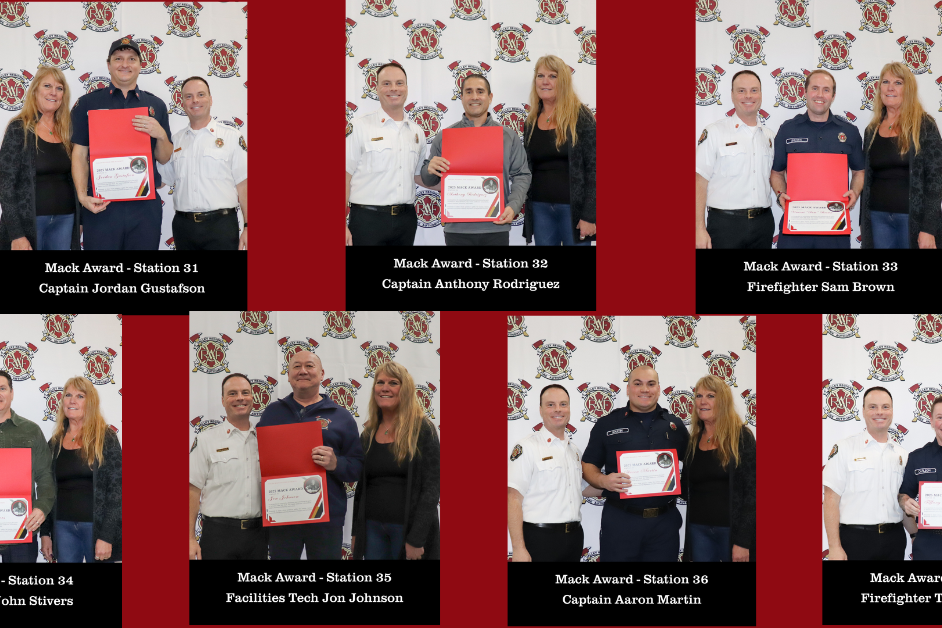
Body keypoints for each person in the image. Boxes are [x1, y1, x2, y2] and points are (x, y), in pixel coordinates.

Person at [257, 351, 364, 559]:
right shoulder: (271, 413)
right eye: (296, 366)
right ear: (288, 375)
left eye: (309, 366)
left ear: (322, 373)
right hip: (282, 514)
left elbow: (357, 468)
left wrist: (336, 464)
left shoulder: (342, 416)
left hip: (326, 518)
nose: (303, 371)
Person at [71, 36, 172, 250]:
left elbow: (164, 157)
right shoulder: (87, 103)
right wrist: (82, 196)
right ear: (109, 65)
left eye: (131, 59)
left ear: (140, 65)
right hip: (102, 204)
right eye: (118, 58)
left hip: (144, 207)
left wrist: (161, 134)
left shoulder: (156, 105)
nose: (125, 64)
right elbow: (79, 155)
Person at [582, 366, 690, 561]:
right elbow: (588, 465)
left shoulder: (675, 426)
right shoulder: (607, 424)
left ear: (658, 389)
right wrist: (603, 481)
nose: (644, 389)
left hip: (664, 525)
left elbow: (694, 466)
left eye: (651, 384)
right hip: (620, 522)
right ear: (628, 388)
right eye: (637, 384)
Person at [420, 73, 531, 246]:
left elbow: (522, 175)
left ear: (490, 97)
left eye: (480, 91)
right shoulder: (446, 136)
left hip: (496, 227)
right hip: (457, 229)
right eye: (469, 92)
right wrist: (429, 169)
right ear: (462, 97)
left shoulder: (508, 136)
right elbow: (429, 179)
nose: (474, 97)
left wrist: (513, 206)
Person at [351, 361, 439, 560]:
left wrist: (417, 538)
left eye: (393, 383)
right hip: (372, 528)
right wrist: (357, 532)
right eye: (380, 382)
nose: (385, 388)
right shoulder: (368, 433)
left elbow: (432, 487)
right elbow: (361, 488)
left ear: (405, 389)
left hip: (407, 531)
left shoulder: (423, 429)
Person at [771, 70, 864, 249]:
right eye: (815, 88)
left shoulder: (850, 131)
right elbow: (776, 173)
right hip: (796, 224)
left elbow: (859, 171)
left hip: (835, 226)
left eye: (826, 90)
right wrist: (781, 194)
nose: (820, 95)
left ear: (833, 95)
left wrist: (855, 192)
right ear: (805, 92)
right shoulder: (788, 129)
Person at [156, 76, 247, 250]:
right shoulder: (174, 142)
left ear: (210, 99)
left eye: (200, 94)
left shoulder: (232, 136)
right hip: (184, 228)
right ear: (182, 103)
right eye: (188, 96)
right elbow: (160, 180)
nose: (195, 100)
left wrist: (248, 227)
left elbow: (244, 186)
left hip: (221, 227)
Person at [823, 386, 914, 560]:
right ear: (863, 411)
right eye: (873, 407)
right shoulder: (844, 448)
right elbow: (830, 499)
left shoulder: (902, 454)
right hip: (855, 540)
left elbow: (903, 501)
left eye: (885, 407)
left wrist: (915, 535)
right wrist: (834, 546)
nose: (879, 412)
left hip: (893, 540)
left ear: (892, 411)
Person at [859, 62, 942, 249]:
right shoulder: (871, 130)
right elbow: (865, 176)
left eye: (898, 82)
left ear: (909, 89)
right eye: (886, 81)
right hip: (876, 218)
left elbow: (936, 180)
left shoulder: (925, 125)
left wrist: (929, 228)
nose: (890, 87)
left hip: (913, 220)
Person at [39, 376, 121, 563]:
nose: (72, 400)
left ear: (90, 402)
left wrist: (106, 536)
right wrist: (45, 533)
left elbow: (117, 490)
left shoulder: (106, 438)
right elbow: (47, 489)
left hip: (97, 529)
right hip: (62, 528)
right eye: (68, 395)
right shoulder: (54, 443)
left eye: (80, 396)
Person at [0, 66, 80, 250]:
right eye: (47, 86)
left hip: (66, 219)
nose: (54, 92)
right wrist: (17, 235)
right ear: (35, 90)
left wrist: (80, 221)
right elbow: (5, 184)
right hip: (30, 223)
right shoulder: (18, 128)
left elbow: (78, 177)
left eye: (59, 88)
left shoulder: (68, 130)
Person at [346, 62, 426, 246]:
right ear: (376, 88)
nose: (393, 89)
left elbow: (418, 176)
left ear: (406, 87)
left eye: (399, 83)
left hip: (406, 221)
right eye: (387, 83)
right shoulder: (359, 126)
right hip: (367, 221)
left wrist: (453, 183)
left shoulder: (417, 132)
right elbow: (345, 176)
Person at [189, 373, 266, 560]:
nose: (240, 397)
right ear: (223, 401)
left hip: (258, 537)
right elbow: (192, 491)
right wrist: (189, 537)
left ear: (252, 399)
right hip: (218, 535)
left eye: (245, 393)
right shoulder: (206, 439)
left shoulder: (266, 441)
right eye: (233, 393)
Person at [695, 70, 775, 249]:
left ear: (761, 94)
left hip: (763, 224)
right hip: (725, 225)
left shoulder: (769, 137)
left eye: (754, 90)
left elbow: (775, 177)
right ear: (732, 95)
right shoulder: (715, 132)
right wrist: (698, 228)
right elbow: (698, 182)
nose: (748, 95)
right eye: (741, 90)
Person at [522, 55, 596, 246]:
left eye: (552, 76)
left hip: (574, 211)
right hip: (540, 209)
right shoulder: (530, 122)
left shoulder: (581, 116)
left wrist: (590, 215)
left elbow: (595, 168)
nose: (545, 81)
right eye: (540, 76)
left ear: (563, 81)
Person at [680, 375, 755, 562]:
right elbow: (684, 489)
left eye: (710, 396)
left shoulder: (741, 438)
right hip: (698, 531)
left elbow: (754, 492)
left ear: (723, 401)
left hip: (731, 532)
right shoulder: (693, 440)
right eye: (698, 396)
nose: (702, 401)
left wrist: (743, 541)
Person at [507, 384, 583, 562]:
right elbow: (513, 498)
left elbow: (582, 488)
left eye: (563, 404)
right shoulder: (527, 447)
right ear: (541, 410)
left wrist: (615, 483)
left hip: (573, 538)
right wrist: (518, 548)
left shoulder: (575, 451)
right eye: (551, 405)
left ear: (569, 409)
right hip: (540, 539)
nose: (558, 409)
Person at [0, 370, 54, 563]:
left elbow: (46, 476)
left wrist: (41, 508)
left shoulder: (31, 430)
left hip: (22, 529)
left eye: (2, 388)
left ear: (11, 392)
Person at [898, 397, 942, 560]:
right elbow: (903, 494)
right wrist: (905, 502)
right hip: (929, 545)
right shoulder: (917, 458)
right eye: (940, 417)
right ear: (931, 421)